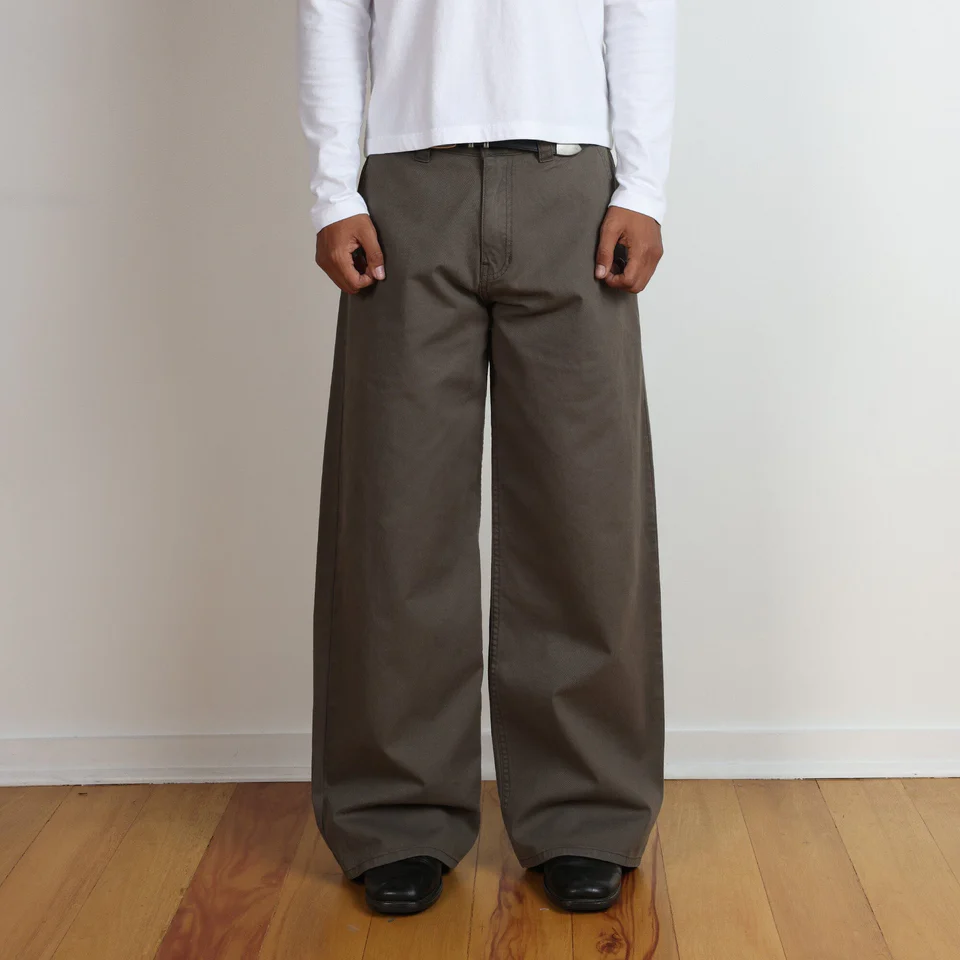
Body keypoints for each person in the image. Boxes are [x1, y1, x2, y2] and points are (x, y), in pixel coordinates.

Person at [297, 0, 675, 916]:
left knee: (586, 512)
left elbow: (641, 10)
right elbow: (331, 10)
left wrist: (643, 187)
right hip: (407, 183)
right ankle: (394, 817)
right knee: (396, 513)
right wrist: (334, 191)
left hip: (573, 182)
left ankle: (586, 812)